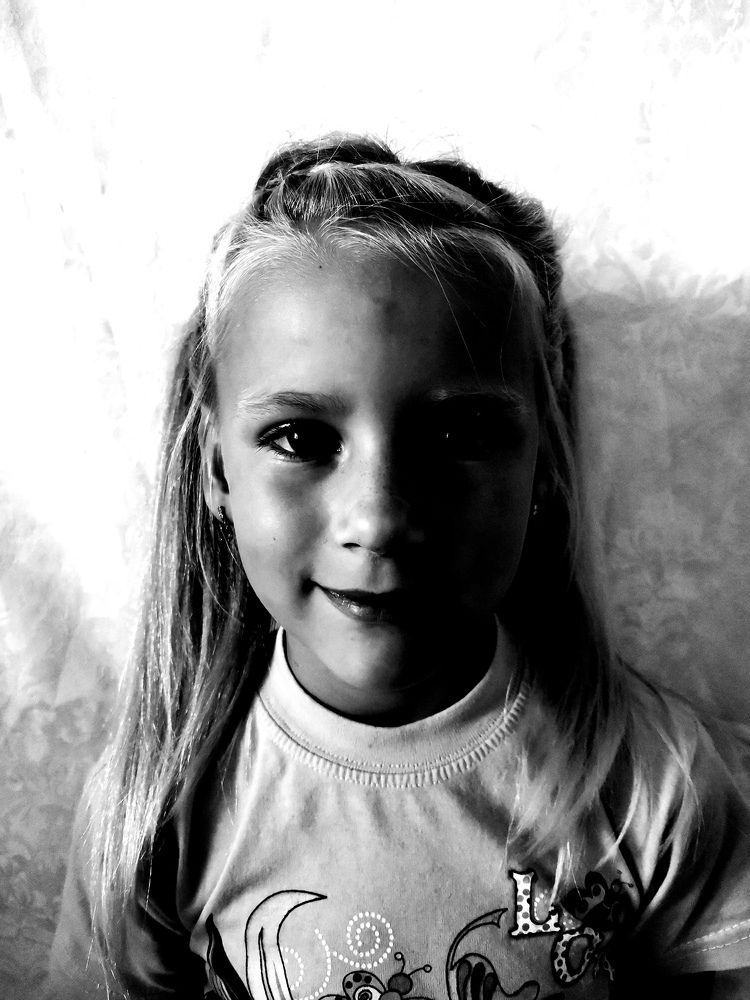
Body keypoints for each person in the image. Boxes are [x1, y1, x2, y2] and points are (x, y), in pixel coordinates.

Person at [47, 135, 750, 1000]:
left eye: (459, 434)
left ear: (545, 466)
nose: (378, 519)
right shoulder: (156, 812)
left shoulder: (652, 781)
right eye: (300, 438)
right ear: (216, 469)